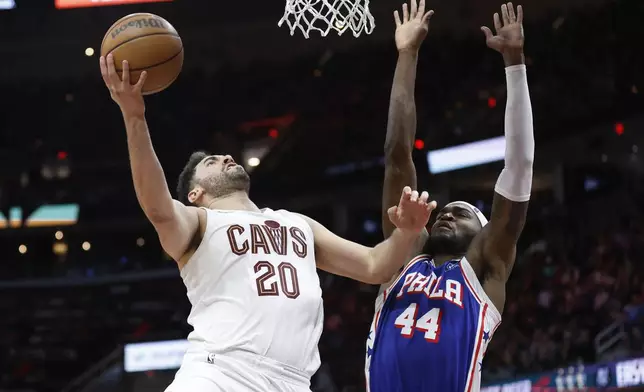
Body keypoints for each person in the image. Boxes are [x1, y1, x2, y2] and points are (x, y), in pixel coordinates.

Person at [99, 55, 436, 392]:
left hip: (291, 382)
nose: (226, 158)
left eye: (224, 156)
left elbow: (374, 265)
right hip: (220, 373)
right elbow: (157, 207)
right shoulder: (198, 222)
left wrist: (406, 233)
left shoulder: (297, 224)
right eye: (212, 162)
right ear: (195, 193)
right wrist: (134, 115)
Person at [365, 1, 534, 391]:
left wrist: (514, 64)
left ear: (483, 234)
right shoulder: (402, 256)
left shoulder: (484, 270)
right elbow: (397, 155)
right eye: (446, 209)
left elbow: (520, 167)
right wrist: (407, 54)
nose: (446, 214)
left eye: (462, 213)